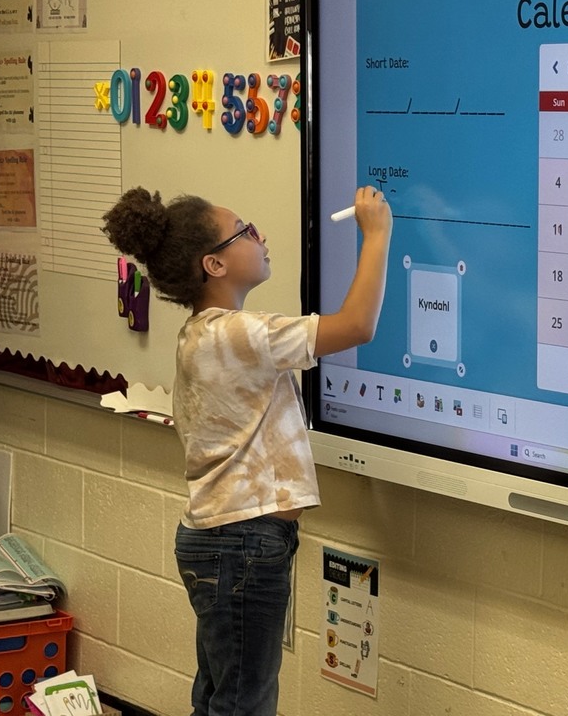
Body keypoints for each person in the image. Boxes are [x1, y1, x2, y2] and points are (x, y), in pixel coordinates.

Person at [101, 185, 392, 716]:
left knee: (222, 696)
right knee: (243, 704)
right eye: (246, 232)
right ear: (214, 264)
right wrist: (376, 234)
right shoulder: (238, 335)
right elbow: (358, 326)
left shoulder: (202, 335)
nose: (261, 238)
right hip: (242, 542)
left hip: (227, 540)